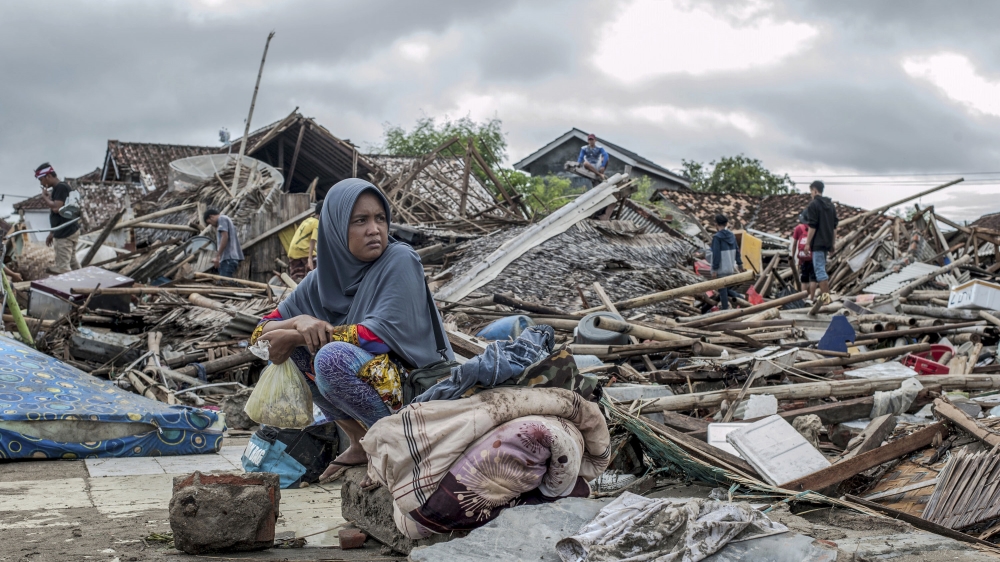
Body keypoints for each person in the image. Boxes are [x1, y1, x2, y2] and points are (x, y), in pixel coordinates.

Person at [250, 178, 454, 483]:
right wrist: (297, 322)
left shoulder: (400, 259)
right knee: (295, 352)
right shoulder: (320, 280)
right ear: (335, 229)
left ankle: (394, 445)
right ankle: (360, 441)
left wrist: (294, 334)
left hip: (420, 387)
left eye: (380, 218)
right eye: (360, 221)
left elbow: (376, 338)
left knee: (330, 357)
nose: (374, 229)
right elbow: (259, 338)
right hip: (379, 384)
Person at [34, 163, 80, 274]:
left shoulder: (60, 187)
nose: (41, 183)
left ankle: (71, 289)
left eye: (41, 180)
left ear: (48, 176)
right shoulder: (59, 188)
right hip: (68, 229)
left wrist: (45, 198)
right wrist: (52, 233)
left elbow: (56, 208)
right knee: (73, 263)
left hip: (65, 233)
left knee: (62, 268)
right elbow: (59, 214)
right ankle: (83, 282)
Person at [802, 180, 839, 304]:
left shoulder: (814, 205)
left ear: (815, 190)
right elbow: (835, 227)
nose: (811, 194)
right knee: (821, 269)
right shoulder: (831, 205)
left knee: (819, 270)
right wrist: (833, 243)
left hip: (817, 243)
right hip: (827, 242)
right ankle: (826, 299)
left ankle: (826, 300)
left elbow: (813, 226)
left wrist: (807, 243)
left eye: (811, 191)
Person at [710, 214, 743, 310]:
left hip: (721, 269)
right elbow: (737, 250)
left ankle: (725, 311)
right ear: (726, 224)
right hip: (730, 269)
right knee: (725, 289)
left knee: (723, 292)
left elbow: (716, 255)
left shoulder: (717, 237)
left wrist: (715, 269)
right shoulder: (732, 235)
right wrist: (740, 264)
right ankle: (741, 298)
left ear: (716, 224)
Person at [286, 197, 322, 282]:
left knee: (297, 276)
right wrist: (309, 258)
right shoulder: (317, 223)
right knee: (317, 271)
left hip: (293, 251)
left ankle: (297, 289)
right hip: (304, 250)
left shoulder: (307, 220)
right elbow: (313, 240)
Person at [204, 208, 244, 278]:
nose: (212, 225)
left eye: (210, 222)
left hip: (228, 259)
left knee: (225, 284)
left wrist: (218, 256)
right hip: (228, 258)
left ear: (211, 217)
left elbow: (225, 237)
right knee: (226, 283)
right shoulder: (225, 219)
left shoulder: (222, 219)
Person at [791, 216, 817, 301]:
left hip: (803, 258)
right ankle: (812, 298)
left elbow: (794, 243)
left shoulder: (799, 228)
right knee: (813, 278)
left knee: (804, 279)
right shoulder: (815, 227)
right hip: (813, 257)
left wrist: (793, 255)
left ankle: (803, 299)